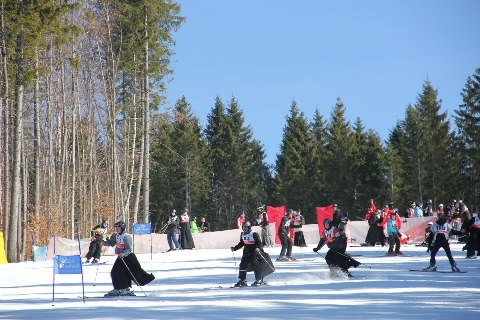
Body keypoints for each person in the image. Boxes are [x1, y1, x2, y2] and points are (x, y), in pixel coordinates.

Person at [103, 221, 155, 296]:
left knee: (123, 273)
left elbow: (129, 249)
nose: (117, 229)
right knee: (114, 272)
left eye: (118, 227)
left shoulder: (126, 237)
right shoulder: (117, 236)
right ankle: (117, 288)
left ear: (122, 228)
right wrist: (103, 242)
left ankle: (124, 288)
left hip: (128, 257)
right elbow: (111, 243)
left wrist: (123, 253)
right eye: (116, 227)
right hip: (121, 257)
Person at [231, 221, 273, 287]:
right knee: (242, 265)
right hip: (246, 253)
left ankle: (259, 279)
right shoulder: (242, 234)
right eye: (243, 227)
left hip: (254, 253)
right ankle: (242, 280)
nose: (244, 229)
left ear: (249, 227)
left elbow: (259, 243)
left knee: (256, 265)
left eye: (245, 227)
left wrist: (258, 248)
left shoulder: (254, 234)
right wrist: (235, 248)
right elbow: (242, 243)